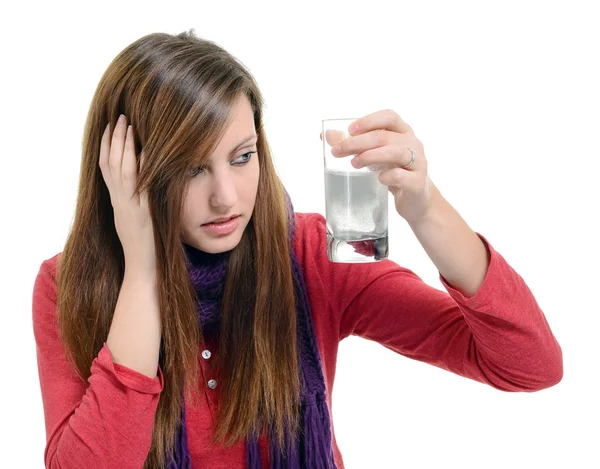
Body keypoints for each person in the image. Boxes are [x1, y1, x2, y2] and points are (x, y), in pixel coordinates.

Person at [32, 29, 563, 469]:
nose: (227, 196)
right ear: (126, 171)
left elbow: (529, 364)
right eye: (192, 169)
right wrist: (142, 273)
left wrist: (426, 208)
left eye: (241, 158)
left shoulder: (309, 256)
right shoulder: (68, 285)